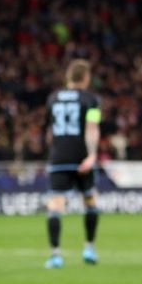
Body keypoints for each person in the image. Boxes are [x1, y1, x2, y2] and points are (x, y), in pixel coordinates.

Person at [43, 59, 102, 268]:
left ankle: (55, 255)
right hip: (81, 157)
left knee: (55, 206)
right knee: (91, 203)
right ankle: (89, 249)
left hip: (58, 158)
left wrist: (55, 151)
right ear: (86, 78)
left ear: (68, 77)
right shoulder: (91, 99)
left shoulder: (52, 99)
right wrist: (92, 155)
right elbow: (92, 127)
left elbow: (49, 132)